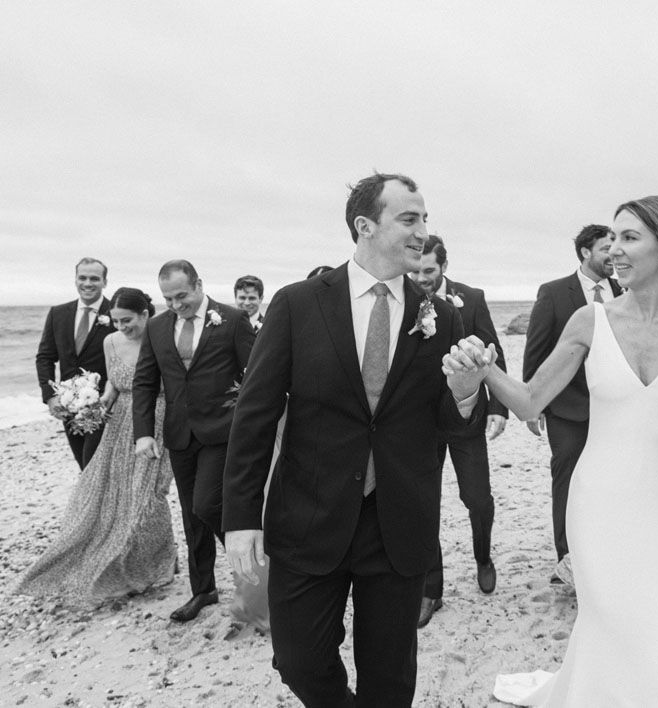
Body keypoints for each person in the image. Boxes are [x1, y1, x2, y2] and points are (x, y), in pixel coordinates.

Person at [447, 195, 658, 707]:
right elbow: (532, 402)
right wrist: (484, 369)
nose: (613, 250)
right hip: (600, 503)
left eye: (628, 238)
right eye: (612, 239)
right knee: (611, 620)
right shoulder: (587, 321)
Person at [222, 173, 484, 707]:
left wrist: (462, 395)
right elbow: (255, 412)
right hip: (308, 515)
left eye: (425, 220)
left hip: (398, 521)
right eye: (409, 219)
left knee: (390, 679)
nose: (422, 232)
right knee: (297, 661)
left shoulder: (444, 315)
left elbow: (448, 426)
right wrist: (241, 517)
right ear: (365, 226)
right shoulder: (297, 305)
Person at [16, 287, 176, 602]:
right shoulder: (110, 341)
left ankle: (162, 563)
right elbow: (115, 382)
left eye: (127, 321)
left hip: (157, 420)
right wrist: (98, 404)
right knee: (107, 492)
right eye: (115, 322)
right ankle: (121, 562)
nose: (121, 328)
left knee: (148, 496)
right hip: (118, 425)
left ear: (145, 314)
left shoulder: (163, 339)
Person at [133, 261, 255, 623]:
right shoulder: (156, 326)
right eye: (168, 298)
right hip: (179, 434)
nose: (175, 305)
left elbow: (255, 374)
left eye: (182, 296)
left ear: (199, 284)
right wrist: (143, 432)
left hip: (223, 431)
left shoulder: (232, 320)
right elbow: (145, 381)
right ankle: (203, 589)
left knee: (207, 504)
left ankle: (252, 565)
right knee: (191, 515)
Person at [414, 234, 509, 627]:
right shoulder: (402, 298)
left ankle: (483, 555)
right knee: (424, 505)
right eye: (416, 270)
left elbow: (493, 352)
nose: (421, 278)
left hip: (467, 415)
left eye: (429, 271)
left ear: (444, 267)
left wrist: (500, 407)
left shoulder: (472, 298)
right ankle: (431, 589)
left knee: (477, 497)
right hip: (421, 421)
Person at [523, 224, 622, 580]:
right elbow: (536, 348)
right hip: (566, 406)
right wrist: (533, 403)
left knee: (610, 480)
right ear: (585, 252)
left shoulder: (624, 291)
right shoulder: (553, 293)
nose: (614, 254)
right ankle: (567, 558)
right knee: (567, 477)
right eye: (606, 248)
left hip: (615, 406)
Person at [36, 258, 117, 470]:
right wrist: (50, 396)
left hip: (106, 406)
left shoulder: (116, 313)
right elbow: (45, 357)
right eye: (82, 277)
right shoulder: (58, 313)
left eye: (94, 278)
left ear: (104, 282)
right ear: (75, 279)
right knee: (84, 465)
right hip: (69, 406)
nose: (88, 283)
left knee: (94, 467)